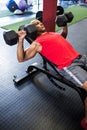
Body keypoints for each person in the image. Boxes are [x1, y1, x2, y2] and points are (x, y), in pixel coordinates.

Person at [17, 19, 87, 130]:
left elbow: (62, 36)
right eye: (36, 24)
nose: (40, 24)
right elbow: (21, 58)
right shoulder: (36, 43)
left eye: (40, 22)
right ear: (32, 29)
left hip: (80, 57)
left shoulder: (52, 33)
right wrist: (20, 40)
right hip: (69, 66)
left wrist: (65, 25)